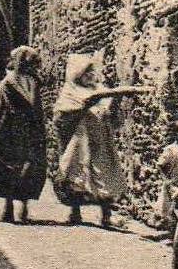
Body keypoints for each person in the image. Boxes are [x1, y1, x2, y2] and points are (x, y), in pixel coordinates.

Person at [52, 53, 142, 228]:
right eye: (86, 72)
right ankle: (75, 212)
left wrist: (116, 98)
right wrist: (94, 100)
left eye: (92, 71)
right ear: (77, 74)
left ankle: (106, 215)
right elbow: (64, 114)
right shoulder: (70, 91)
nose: (90, 75)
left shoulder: (99, 89)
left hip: (100, 140)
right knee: (77, 176)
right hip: (80, 142)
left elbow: (109, 112)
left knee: (104, 175)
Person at [0, 45, 48, 224]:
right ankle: (8, 207)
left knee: (29, 169)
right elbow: (0, 107)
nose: (33, 66)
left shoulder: (33, 82)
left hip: (29, 132)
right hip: (10, 132)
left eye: (34, 63)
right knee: (9, 169)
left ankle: (24, 207)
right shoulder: (8, 82)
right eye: (29, 63)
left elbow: (37, 107)